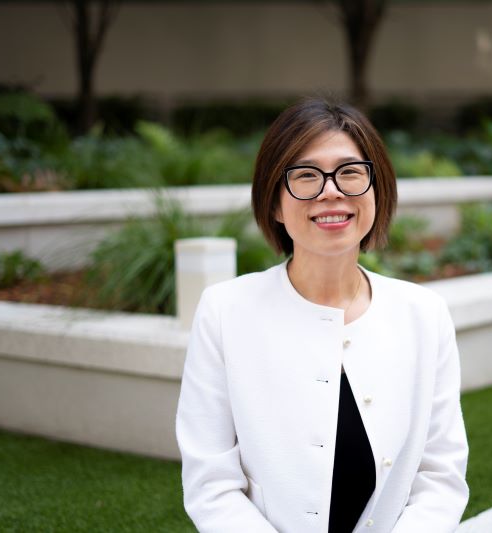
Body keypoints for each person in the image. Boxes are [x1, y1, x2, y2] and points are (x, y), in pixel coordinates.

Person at [175, 98, 469, 533]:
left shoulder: (424, 314)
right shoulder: (225, 312)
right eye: (306, 175)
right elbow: (211, 484)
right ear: (275, 204)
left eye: (350, 172)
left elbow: (440, 476)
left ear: (377, 190)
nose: (331, 191)